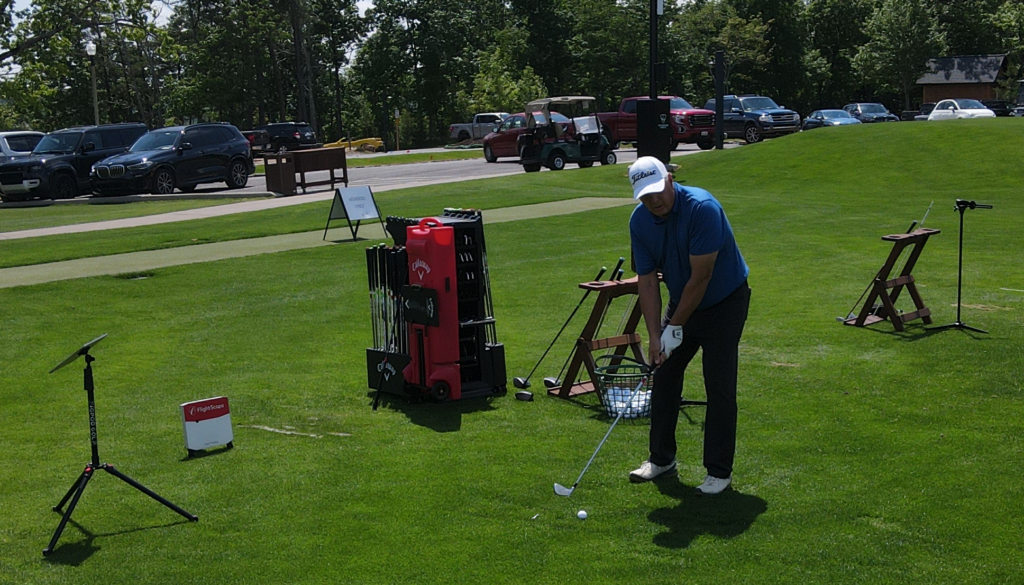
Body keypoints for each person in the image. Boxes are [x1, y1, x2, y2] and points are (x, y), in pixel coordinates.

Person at [626, 156, 750, 495]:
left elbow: (702, 277)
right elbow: (647, 282)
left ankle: (718, 472)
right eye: (645, 196)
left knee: (719, 384)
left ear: (670, 179)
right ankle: (661, 459)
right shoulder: (640, 222)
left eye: (657, 191)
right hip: (682, 302)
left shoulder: (702, 208)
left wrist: (674, 327)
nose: (654, 201)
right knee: (663, 374)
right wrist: (655, 336)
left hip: (725, 302)